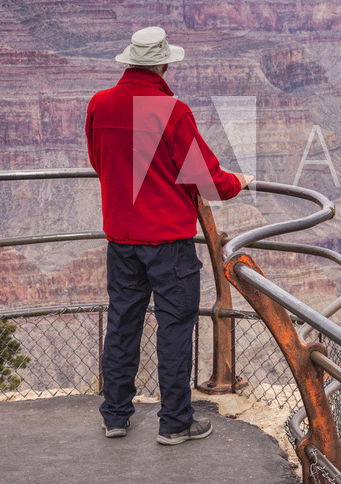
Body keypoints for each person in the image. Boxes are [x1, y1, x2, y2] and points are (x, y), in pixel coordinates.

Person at [85, 26, 253, 445]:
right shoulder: (171, 110)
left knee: (123, 323)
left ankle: (115, 415)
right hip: (167, 243)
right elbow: (208, 180)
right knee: (174, 326)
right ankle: (175, 422)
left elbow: (98, 161)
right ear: (162, 63)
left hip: (121, 239)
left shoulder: (99, 105)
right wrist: (241, 181)